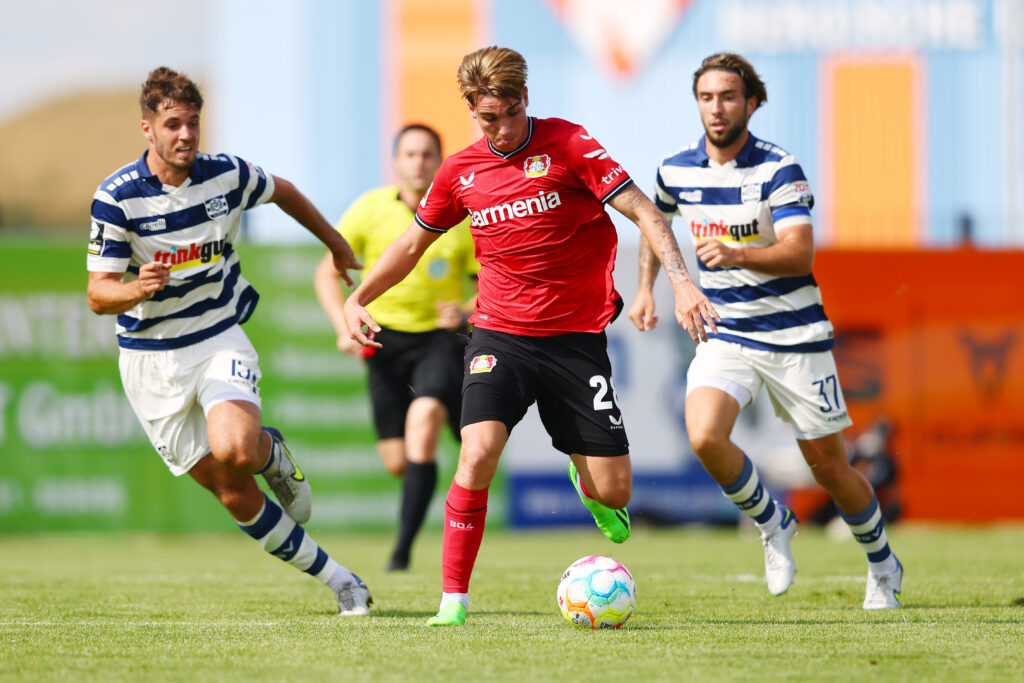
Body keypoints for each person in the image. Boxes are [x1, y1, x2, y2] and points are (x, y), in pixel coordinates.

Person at [343, 46, 718, 626]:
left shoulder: (570, 145)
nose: (504, 126)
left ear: (526, 98)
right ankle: (453, 601)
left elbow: (645, 211)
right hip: (500, 337)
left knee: (615, 492)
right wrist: (358, 296)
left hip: (575, 340)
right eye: (490, 117)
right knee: (477, 452)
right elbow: (410, 246)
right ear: (471, 109)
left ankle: (584, 477)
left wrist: (681, 283)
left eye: (512, 111)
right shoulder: (460, 172)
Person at [86, 66, 372, 616]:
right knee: (232, 491)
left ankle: (271, 451)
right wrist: (134, 289)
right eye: (173, 124)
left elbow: (283, 190)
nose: (186, 135)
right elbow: (99, 295)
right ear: (147, 128)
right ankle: (342, 581)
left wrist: (336, 244)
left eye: (194, 123)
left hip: (218, 336)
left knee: (237, 450)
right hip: (149, 362)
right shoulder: (117, 199)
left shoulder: (227, 176)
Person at [629, 52, 903, 609]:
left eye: (728, 96)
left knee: (829, 467)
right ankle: (774, 524)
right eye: (707, 97)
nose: (717, 108)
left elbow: (800, 254)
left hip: (795, 336)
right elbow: (656, 227)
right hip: (726, 332)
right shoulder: (675, 169)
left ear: (751, 103)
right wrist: (644, 290)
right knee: (704, 435)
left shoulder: (780, 168)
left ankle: (882, 563)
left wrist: (735, 254)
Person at [314, 124, 479, 572]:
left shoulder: (463, 215)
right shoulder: (369, 210)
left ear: (439, 160)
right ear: (396, 161)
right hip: (384, 344)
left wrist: (465, 310)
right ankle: (448, 460)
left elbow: (493, 283)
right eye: (410, 154)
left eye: (427, 154)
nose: (418, 162)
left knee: (422, 421)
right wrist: (342, 325)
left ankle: (401, 554)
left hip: (440, 341)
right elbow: (327, 274)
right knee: (396, 460)